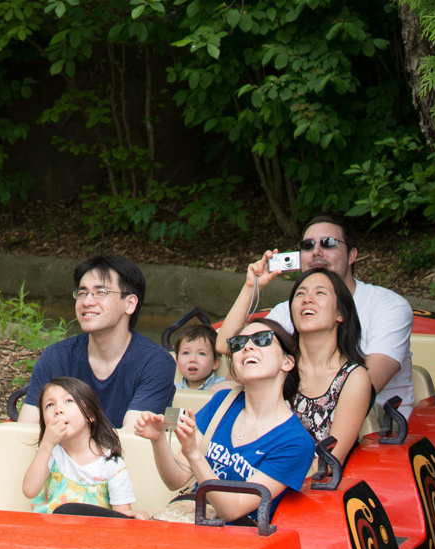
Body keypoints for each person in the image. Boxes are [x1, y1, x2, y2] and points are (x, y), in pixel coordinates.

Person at [216, 213, 414, 416]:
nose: (316, 252)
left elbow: (366, 387)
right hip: (295, 418)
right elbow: (227, 345)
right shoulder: (293, 308)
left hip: (375, 425)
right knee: (227, 386)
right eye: (308, 245)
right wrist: (252, 286)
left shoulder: (389, 306)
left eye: (328, 243)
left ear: (351, 256)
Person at [135, 318, 315, 522]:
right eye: (239, 343)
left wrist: (194, 454)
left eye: (262, 339)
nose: (247, 347)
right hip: (190, 517)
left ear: (287, 362)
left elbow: (233, 510)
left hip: (237, 539)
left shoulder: (296, 442)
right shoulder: (222, 402)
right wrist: (158, 440)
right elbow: (175, 480)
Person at [20, 253, 175, 429]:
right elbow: (26, 429)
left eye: (101, 292)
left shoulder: (156, 363)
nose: (87, 301)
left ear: (130, 303)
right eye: (82, 292)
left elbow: (131, 439)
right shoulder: (55, 357)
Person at [287, 268, 373, 465]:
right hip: (256, 476)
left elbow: (330, 462)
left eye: (320, 293)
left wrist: (268, 483)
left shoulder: (353, 377)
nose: (307, 299)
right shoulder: (279, 362)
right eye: (300, 293)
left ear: (340, 313)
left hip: (309, 485)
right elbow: (225, 345)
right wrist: (251, 286)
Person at [23, 376, 143, 516]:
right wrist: (47, 444)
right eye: (49, 405)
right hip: (51, 531)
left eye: (68, 401)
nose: (58, 410)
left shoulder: (111, 464)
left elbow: (121, 517)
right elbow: (29, 490)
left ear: (90, 414)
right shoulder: (51, 454)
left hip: (94, 534)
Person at [172, 321, 228, 394]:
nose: (192, 359)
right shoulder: (172, 390)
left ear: (216, 362)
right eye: (186, 353)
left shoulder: (224, 387)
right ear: (177, 360)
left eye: (201, 354)